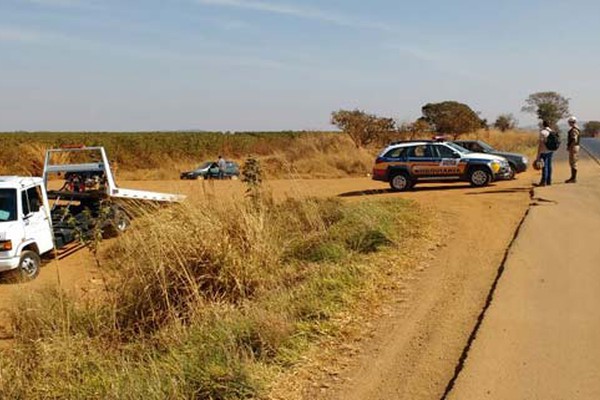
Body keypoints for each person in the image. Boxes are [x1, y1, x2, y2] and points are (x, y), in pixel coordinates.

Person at [536, 121, 554, 186]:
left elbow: (541, 143)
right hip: (551, 151)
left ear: (543, 125)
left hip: (544, 151)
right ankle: (549, 181)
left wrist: (538, 154)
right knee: (549, 165)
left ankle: (543, 181)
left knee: (544, 166)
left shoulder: (542, 132)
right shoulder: (551, 131)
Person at [565, 116, 580, 183]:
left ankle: (573, 178)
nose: (569, 123)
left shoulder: (574, 130)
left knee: (573, 162)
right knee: (573, 162)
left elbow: (574, 139)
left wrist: (569, 146)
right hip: (575, 146)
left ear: (571, 122)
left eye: (569, 122)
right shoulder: (576, 128)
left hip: (573, 147)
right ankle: (572, 178)